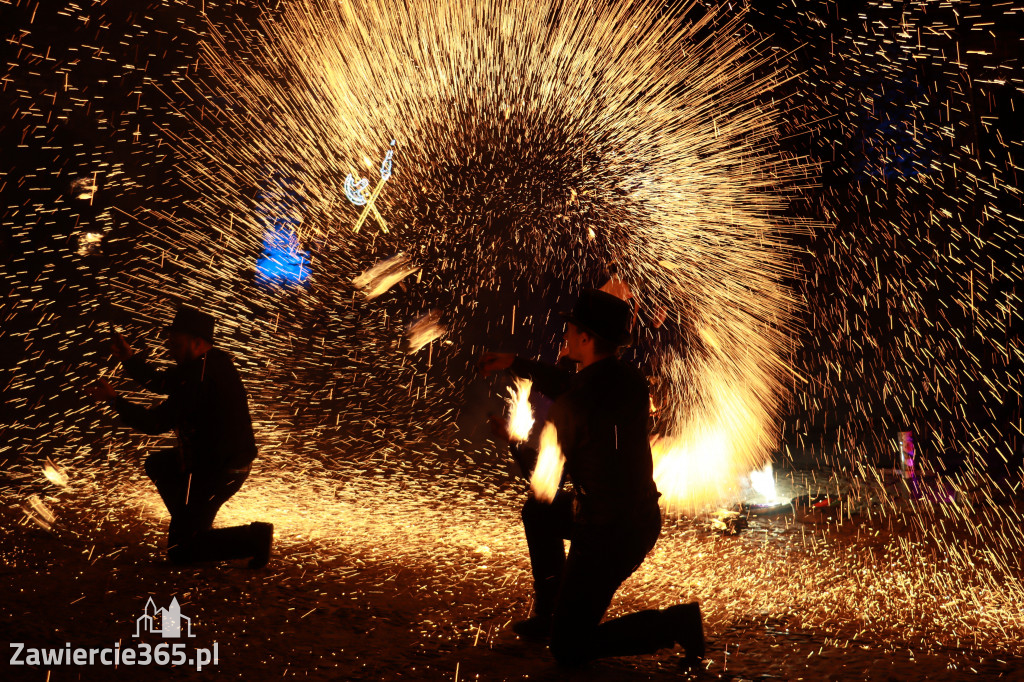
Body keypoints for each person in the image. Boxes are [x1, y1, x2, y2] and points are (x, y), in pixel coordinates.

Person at [478, 289, 704, 667]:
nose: (564, 333)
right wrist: (516, 362)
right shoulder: (630, 382)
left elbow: (545, 486)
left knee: (568, 647)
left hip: (606, 534)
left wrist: (515, 441)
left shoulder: (570, 409)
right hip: (639, 519)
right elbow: (576, 385)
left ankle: (676, 624)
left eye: (570, 328)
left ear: (584, 337)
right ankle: (551, 614)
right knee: (537, 514)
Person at [87, 306, 273, 568]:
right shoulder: (210, 361)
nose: (169, 346)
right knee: (159, 464)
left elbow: (155, 422)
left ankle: (254, 538)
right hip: (211, 462)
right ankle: (192, 522)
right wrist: (128, 358)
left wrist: (115, 402)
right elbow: (161, 383)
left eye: (175, 341)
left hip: (219, 471)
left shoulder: (200, 377)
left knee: (182, 551)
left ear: (197, 342)